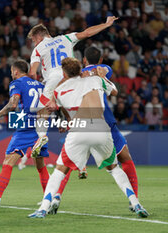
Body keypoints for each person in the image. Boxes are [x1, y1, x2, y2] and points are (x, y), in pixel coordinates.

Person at [28, 57, 148, 218]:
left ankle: (43, 208)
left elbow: (58, 110)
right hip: (102, 129)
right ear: (80, 70)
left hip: (79, 129)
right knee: (114, 169)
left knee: (59, 171)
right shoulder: (96, 81)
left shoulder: (59, 90)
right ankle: (136, 203)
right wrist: (101, 76)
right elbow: (115, 91)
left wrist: (52, 124)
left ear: (64, 73)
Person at [27, 16, 119, 158]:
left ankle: (42, 136)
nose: (34, 43)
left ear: (38, 36)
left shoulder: (38, 49)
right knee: (70, 110)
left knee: (42, 112)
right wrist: (106, 25)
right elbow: (87, 33)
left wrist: (35, 83)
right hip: (72, 77)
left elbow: (32, 73)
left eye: (33, 40)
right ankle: (74, 135)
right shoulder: (66, 38)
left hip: (53, 79)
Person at [0, 60, 63, 207]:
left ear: (16, 71)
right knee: (40, 164)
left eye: (12, 72)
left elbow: (13, 105)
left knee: (8, 160)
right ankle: (49, 198)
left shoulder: (17, 83)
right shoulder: (41, 85)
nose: (12, 74)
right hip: (41, 127)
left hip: (26, 126)